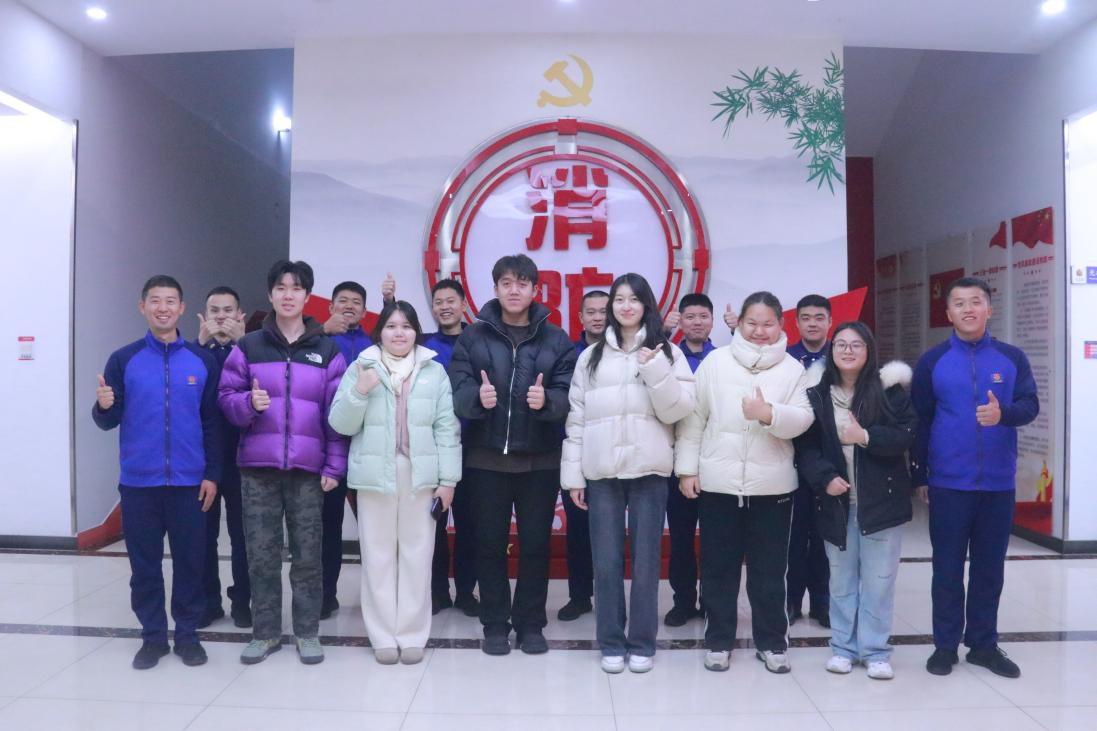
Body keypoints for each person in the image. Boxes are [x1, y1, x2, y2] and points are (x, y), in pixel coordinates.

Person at [562, 274, 695, 674]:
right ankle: (611, 641)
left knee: (646, 562)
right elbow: (577, 418)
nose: (625, 306)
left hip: (649, 470)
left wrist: (655, 371)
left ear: (646, 305)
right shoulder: (590, 357)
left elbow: (680, 410)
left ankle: (641, 642)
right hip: (601, 472)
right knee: (605, 562)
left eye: (633, 299)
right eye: (618, 299)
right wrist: (574, 476)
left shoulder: (667, 352)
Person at [218, 259, 348, 666]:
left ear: (307, 297)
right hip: (258, 469)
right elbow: (226, 398)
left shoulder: (327, 351)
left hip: (308, 471)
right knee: (261, 556)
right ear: (270, 294)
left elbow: (338, 415)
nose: (288, 295)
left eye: (296, 288)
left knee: (308, 556)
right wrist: (247, 403)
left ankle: (307, 632)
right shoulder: (248, 346)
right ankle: (265, 633)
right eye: (281, 287)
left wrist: (334, 467)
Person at [676, 291, 813, 674]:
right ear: (740, 323)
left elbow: (804, 419)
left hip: (773, 488)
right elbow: (693, 421)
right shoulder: (716, 363)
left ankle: (772, 643)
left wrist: (768, 413)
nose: (759, 331)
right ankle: (719, 641)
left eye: (768, 324)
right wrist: (687, 470)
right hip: (719, 485)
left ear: (780, 325)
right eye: (752, 323)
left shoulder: (792, 369)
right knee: (718, 569)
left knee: (769, 571)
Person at [450, 254, 577, 656]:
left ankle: (530, 624)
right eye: (506, 283)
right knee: (489, 545)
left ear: (535, 290)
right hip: (486, 460)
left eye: (522, 283)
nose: (514, 290)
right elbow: (457, 390)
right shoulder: (473, 337)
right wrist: (477, 397)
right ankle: (494, 623)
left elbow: (570, 394)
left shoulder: (556, 338)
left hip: (540, 460)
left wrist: (548, 401)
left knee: (536, 546)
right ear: (496, 288)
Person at [912, 277, 1038, 679]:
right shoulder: (932, 361)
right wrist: (920, 475)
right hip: (949, 483)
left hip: (998, 484)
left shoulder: (1011, 358)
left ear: (989, 309)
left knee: (989, 569)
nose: (968, 309)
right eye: (960, 303)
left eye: (976, 302)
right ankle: (945, 646)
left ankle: (983, 645)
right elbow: (920, 420)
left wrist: (1004, 415)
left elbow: (1030, 405)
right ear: (948, 313)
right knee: (947, 569)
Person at [93, 275, 221, 669]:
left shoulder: (202, 360)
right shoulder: (123, 359)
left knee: (191, 564)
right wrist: (102, 406)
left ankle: (187, 635)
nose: (162, 308)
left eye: (170, 301)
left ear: (181, 308)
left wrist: (212, 474)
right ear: (142, 306)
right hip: (139, 485)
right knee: (144, 567)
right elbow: (108, 420)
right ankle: (152, 637)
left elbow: (212, 422)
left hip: (189, 483)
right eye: (155, 300)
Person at [329, 300, 461, 665]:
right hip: (374, 475)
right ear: (380, 332)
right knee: (378, 556)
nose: (399, 333)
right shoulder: (362, 366)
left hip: (421, 475)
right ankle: (383, 635)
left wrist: (448, 480)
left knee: (418, 555)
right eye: (391, 326)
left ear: (416, 331)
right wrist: (360, 391)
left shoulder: (434, 370)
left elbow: (446, 429)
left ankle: (413, 634)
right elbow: (340, 423)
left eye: (406, 326)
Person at [796, 322, 916, 680]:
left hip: (882, 503)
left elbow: (906, 435)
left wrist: (864, 436)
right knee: (841, 581)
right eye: (841, 345)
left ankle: (876, 651)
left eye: (856, 345)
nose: (848, 351)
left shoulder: (889, 390)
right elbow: (806, 447)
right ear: (831, 351)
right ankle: (843, 649)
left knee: (879, 581)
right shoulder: (817, 393)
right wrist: (824, 478)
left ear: (869, 351)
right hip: (837, 502)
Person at [319, 278, 395, 619]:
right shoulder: (317, 340)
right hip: (329, 450)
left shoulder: (373, 346)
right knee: (328, 527)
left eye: (356, 302)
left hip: (369, 448)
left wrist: (390, 300)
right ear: (331, 306)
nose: (349, 306)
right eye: (343, 300)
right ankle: (325, 595)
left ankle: (378, 597)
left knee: (377, 529)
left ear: (365, 311)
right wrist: (322, 331)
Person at [195, 285, 252, 629]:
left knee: (244, 536)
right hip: (202, 461)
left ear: (239, 315)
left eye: (228, 310)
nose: (220, 317)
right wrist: (200, 348)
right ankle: (208, 602)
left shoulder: (252, 350)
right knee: (203, 536)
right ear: (203, 316)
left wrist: (243, 344)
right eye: (214, 311)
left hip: (244, 459)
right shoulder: (192, 354)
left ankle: (243, 602)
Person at [423, 279, 479, 617]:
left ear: (463, 305)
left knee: (470, 525)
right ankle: (437, 591)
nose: (444, 307)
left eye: (450, 301)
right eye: (438, 302)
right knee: (434, 524)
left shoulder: (479, 342)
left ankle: (467, 592)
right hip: (432, 449)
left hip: (473, 447)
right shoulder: (423, 346)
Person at [664, 293, 717, 627]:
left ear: (712, 320)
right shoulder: (667, 357)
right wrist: (662, 334)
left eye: (703, 316)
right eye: (690, 317)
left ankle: (712, 602)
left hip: (715, 462)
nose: (697, 322)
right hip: (676, 463)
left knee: (715, 540)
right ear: (680, 321)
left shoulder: (723, 359)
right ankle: (682, 602)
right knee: (681, 538)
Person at [557, 289, 609, 622]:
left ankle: (609, 598)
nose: (598, 317)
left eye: (603, 311)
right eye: (591, 312)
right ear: (580, 318)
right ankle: (579, 597)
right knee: (577, 530)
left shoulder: (624, 354)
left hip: (611, 453)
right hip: (575, 448)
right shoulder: (568, 354)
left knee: (610, 533)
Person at [786, 294, 834, 627]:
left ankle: (822, 602)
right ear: (797, 322)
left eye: (819, 317)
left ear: (830, 321)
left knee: (824, 535)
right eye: (806, 318)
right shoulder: (785, 359)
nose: (813, 323)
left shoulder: (841, 356)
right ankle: (791, 601)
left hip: (830, 459)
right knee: (792, 534)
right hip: (789, 457)